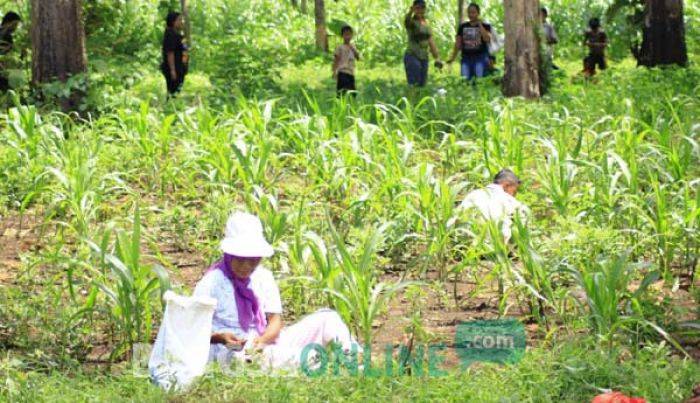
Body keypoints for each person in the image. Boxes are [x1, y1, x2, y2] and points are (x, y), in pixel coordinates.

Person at [193, 212, 360, 371]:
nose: (246, 266)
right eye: (240, 259)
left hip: (261, 342)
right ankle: (316, 363)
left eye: (252, 260)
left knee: (328, 318)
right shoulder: (211, 283)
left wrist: (262, 340)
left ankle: (352, 359)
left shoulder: (263, 277)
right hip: (231, 350)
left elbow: (275, 321)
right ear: (229, 254)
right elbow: (194, 328)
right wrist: (220, 338)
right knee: (280, 358)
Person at [459, 169, 529, 243]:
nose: (514, 195)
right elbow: (524, 219)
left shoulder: (472, 195)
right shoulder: (508, 199)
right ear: (506, 185)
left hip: (469, 243)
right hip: (497, 247)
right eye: (514, 191)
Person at [447, 3, 492, 82]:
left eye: (473, 12)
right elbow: (458, 44)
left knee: (480, 80)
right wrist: (452, 58)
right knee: (465, 81)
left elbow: (487, 39)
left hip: (480, 58)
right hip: (466, 58)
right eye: (469, 12)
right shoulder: (463, 27)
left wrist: (480, 25)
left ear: (478, 13)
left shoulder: (486, 26)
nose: (471, 15)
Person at [403, 0, 443, 88]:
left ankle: (419, 101)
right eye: (417, 8)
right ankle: (412, 101)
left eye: (422, 8)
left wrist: (437, 58)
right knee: (414, 83)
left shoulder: (426, 24)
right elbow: (407, 21)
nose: (420, 10)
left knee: (422, 84)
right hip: (412, 55)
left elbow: (431, 41)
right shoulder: (412, 23)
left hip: (424, 57)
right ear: (414, 9)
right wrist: (410, 12)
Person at [161, 11, 188, 97]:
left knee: (176, 91)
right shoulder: (171, 34)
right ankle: (170, 108)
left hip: (180, 67)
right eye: (179, 20)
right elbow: (170, 53)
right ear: (173, 22)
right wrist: (173, 70)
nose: (182, 22)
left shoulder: (177, 34)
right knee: (173, 92)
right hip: (175, 68)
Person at [332, 25, 360, 96]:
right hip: (342, 72)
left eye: (349, 34)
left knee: (353, 93)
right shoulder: (340, 47)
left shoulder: (353, 46)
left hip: (351, 72)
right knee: (342, 92)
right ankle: (341, 105)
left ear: (352, 35)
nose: (347, 36)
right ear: (342, 36)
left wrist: (353, 48)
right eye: (346, 34)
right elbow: (336, 60)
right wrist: (334, 71)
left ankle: (351, 105)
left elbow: (358, 57)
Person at [0, 11, 21, 92]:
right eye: (14, 24)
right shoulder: (7, 37)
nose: (15, 28)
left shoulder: (9, 37)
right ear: (8, 23)